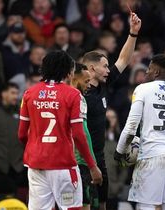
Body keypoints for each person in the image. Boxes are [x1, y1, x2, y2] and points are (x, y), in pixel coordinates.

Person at [18, 51, 103, 210]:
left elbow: (22, 134)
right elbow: (79, 134)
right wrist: (92, 166)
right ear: (69, 72)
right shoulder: (73, 94)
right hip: (63, 166)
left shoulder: (29, 93)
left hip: (36, 165)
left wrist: (35, 148)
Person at [114, 54, 165, 210]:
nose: (147, 72)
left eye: (150, 69)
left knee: (146, 206)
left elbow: (131, 126)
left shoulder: (143, 89)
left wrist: (119, 151)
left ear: (156, 72)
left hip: (152, 155)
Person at [82, 12, 141, 210]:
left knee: (104, 205)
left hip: (100, 157)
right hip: (82, 158)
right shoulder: (78, 94)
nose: (109, 70)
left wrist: (133, 33)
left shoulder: (104, 86)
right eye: (105, 66)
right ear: (91, 68)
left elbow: (123, 59)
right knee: (84, 205)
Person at [69, 62, 98, 210]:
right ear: (73, 78)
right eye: (86, 81)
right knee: (84, 204)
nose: (89, 85)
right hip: (79, 161)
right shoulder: (78, 98)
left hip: (59, 161)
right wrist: (92, 163)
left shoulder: (60, 97)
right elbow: (82, 132)